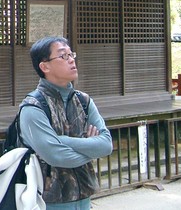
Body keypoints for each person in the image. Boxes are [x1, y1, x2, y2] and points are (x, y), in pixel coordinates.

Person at [19, 36, 113, 210]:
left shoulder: (83, 101)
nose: (71, 60)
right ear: (44, 66)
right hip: (48, 202)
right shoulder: (33, 107)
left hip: (84, 197)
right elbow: (56, 156)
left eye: (71, 55)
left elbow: (106, 145)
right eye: (63, 56)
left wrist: (61, 140)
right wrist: (91, 147)